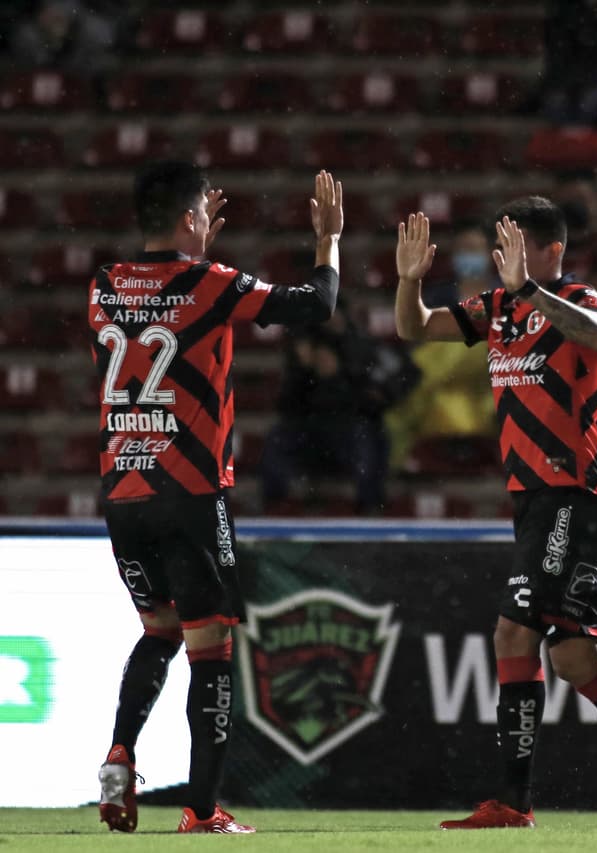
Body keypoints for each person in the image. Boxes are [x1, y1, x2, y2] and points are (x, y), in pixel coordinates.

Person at [393, 197, 597, 829]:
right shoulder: (496, 309)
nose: (500, 259)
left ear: (550, 251)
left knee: (512, 634)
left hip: (571, 493)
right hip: (534, 500)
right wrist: (410, 281)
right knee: (574, 660)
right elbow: (416, 328)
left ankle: (512, 803)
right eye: (500, 246)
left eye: (515, 245)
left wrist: (530, 289)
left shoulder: (580, 300)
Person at [90, 163, 343, 834]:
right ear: (192, 220)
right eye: (202, 210)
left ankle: (120, 751)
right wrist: (328, 243)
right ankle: (202, 810)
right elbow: (314, 305)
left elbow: (159, 308)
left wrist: (197, 257)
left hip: (122, 492)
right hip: (192, 493)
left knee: (158, 631)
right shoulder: (211, 283)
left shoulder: (104, 285)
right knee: (211, 647)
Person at [259, 298, 412, 514]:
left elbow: (389, 386)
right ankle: (275, 507)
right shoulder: (304, 346)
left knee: (367, 443)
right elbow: (286, 403)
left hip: (349, 424)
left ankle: (369, 507)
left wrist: (339, 376)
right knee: (276, 440)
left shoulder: (360, 346)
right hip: (307, 426)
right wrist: (305, 369)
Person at [384, 221, 498, 473]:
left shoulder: (506, 294)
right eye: (463, 249)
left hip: (490, 386)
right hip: (438, 390)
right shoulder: (437, 296)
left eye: (474, 249)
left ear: (490, 253)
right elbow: (413, 336)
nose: (468, 255)